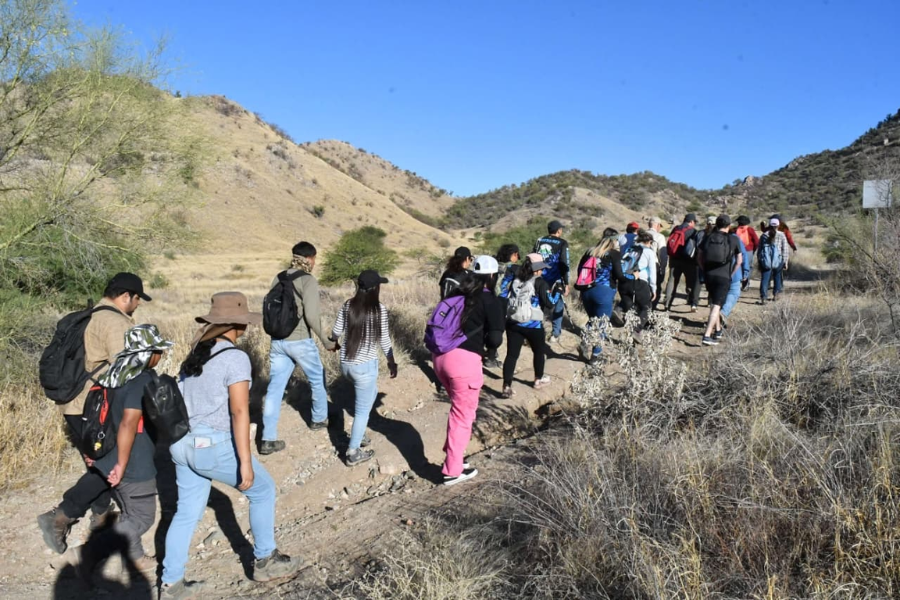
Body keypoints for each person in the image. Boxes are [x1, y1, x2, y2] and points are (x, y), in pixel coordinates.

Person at [160, 292, 300, 598]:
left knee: (185, 513)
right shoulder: (235, 358)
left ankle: (171, 583)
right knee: (262, 490)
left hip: (181, 444)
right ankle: (264, 561)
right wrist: (245, 461)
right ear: (237, 323)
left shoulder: (197, 353)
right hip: (211, 444)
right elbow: (239, 411)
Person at [38, 272, 150, 555]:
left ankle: (100, 519)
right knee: (109, 465)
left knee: (98, 462)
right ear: (126, 296)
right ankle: (61, 516)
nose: (137, 305)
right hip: (95, 407)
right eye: (136, 299)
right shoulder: (113, 322)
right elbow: (126, 371)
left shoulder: (90, 315)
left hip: (75, 404)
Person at [78, 324, 174, 577]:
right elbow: (129, 422)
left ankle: (136, 558)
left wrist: (94, 454)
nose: (160, 356)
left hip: (105, 457)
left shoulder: (111, 377)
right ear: (147, 353)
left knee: (129, 513)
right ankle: (84, 554)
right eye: (158, 351)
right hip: (132, 462)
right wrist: (121, 464)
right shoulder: (140, 380)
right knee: (142, 518)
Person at [260, 241, 336, 456]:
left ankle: (268, 438)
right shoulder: (307, 280)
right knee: (317, 379)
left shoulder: (279, 277)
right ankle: (319, 419)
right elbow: (312, 316)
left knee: (275, 388)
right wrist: (327, 341)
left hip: (277, 340)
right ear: (310, 258)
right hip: (300, 340)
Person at [433, 270, 504, 486]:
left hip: (439, 357)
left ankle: (453, 455)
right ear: (492, 276)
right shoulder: (489, 299)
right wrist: (489, 349)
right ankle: (453, 471)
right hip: (463, 362)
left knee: (460, 410)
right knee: (463, 414)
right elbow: (495, 338)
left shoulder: (456, 294)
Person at [329, 270, 397, 467]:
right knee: (362, 412)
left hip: (346, 365)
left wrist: (333, 342)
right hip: (365, 368)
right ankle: (352, 452)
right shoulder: (379, 310)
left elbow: (335, 332)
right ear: (376, 288)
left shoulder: (347, 305)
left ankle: (358, 435)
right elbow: (384, 339)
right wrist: (391, 360)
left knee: (370, 395)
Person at [501, 253, 562, 398]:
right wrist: (558, 291)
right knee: (539, 352)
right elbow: (550, 303)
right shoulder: (540, 282)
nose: (542, 271)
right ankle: (538, 380)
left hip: (513, 322)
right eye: (541, 268)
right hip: (533, 325)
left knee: (511, 355)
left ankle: (506, 386)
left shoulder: (517, 279)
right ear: (537, 269)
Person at [576, 228, 627, 362]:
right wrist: (631, 277)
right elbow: (619, 275)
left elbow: (580, 270)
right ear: (613, 240)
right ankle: (595, 356)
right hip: (603, 292)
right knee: (602, 324)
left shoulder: (590, 251)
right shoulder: (613, 254)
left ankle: (583, 342)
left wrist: (582, 290)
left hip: (586, 290)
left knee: (593, 320)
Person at [699, 215, 743, 345]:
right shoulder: (734, 239)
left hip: (709, 275)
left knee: (714, 302)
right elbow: (739, 261)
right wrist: (731, 273)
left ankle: (718, 331)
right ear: (729, 226)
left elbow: (699, 257)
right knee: (717, 305)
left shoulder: (707, 237)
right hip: (723, 276)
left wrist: (704, 269)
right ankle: (707, 335)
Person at [613, 230, 657, 340]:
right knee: (646, 307)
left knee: (628, 302)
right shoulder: (649, 252)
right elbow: (652, 271)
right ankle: (637, 330)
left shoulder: (630, 249)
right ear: (649, 241)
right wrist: (653, 288)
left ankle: (619, 309)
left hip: (624, 281)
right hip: (639, 281)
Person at [533, 220, 570, 344]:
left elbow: (533, 257)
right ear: (558, 230)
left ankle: (536, 329)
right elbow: (565, 263)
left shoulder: (539, 240)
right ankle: (555, 333)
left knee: (539, 303)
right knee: (558, 304)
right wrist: (567, 283)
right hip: (556, 278)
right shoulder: (562, 243)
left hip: (539, 277)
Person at [663, 214, 699, 311]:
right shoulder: (693, 231)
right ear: (691, 222)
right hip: (688, 260)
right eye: (694, 222)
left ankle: (667, 304)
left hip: (674, 258)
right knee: (691, 280)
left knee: (672, 280)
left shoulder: (676, 228)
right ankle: (691, 301)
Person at [720, 229, 751, 330]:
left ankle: (717, 318)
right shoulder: (736, 239)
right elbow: (743, 256)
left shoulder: (714, 237)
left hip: (717, 273)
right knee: (733, 293)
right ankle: (723, 313)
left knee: (719, 297)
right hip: (734, 272)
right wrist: (745, 272)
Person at [758, 217, 790, 304]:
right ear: (778, 225)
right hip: (778, 260)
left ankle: (763, 297)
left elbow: (760, 249)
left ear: (769, 225)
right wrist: (785, 261)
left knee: (765, 278)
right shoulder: (781, 235)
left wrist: (759, 261)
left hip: (766, 260)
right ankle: (776, 294)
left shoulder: (764, 235)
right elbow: (785, 249)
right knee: (777, 277)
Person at [646, 216, 668, 308]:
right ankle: (650, 309)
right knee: (655, 288)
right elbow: (662, 255)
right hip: (654, 266)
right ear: (658, 225)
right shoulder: (659, 236)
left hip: (639, 265)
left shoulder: (640, 235)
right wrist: (662, 268)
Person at [733, 215, 759, 287]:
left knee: (737, 265)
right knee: (748, 267)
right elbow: (756, 241)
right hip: (748, 251)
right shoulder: (750, 230)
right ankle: (746, 284)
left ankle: (737, 282)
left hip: (737, 251)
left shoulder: (734, 230)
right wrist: (753, 250)